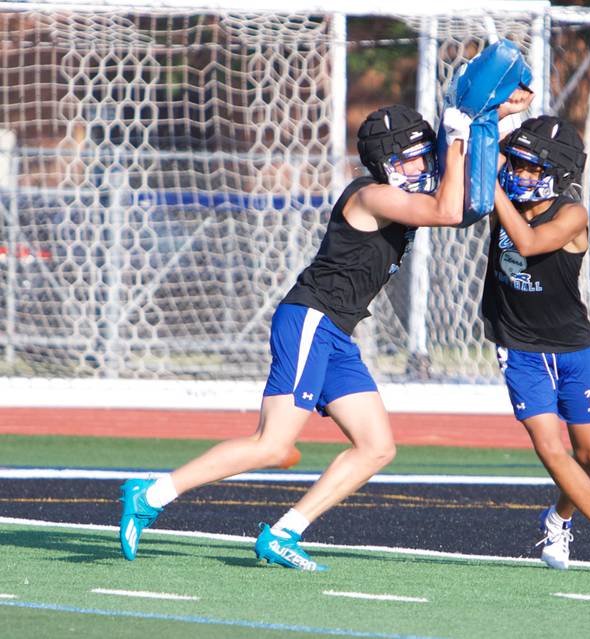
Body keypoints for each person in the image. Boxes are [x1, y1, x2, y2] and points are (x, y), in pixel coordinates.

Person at [118, 100, 525, 571]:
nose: (423, 164)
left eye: (424, 155)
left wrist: (497, 128)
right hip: (310, 319)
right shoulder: (372, 195)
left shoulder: (408, 189)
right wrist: (459, 140)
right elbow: (449, 209)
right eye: (413, 157)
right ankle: (152, 493)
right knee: (272, 444)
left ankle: (285, 532)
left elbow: (469, 196)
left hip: (335, 332)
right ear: (387, 163)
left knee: (376, 447)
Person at [482, 114, 590, 578]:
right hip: (519, 346)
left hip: (571, 345)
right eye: (515, 165)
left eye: (530, 169)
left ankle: (558, 518)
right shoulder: (501, 198)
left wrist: (492, 185)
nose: (519, 174)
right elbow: (476, 144)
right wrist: (493, 110)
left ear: (557, 174)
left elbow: (529, 242)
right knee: (550, 448)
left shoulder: (571, 213)